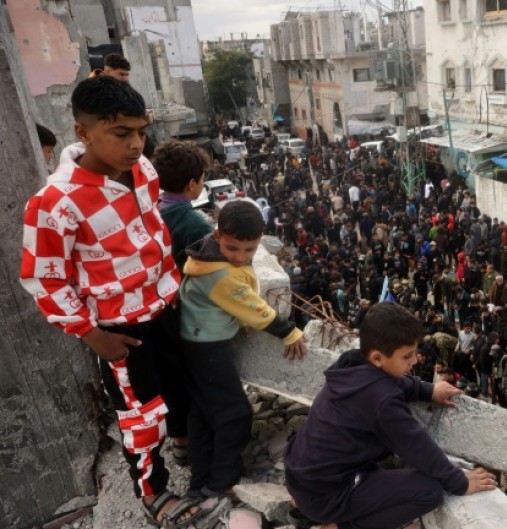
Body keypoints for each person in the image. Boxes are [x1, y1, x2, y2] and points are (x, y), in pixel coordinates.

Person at [19, 76, 205, 527]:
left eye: (141, 132)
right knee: (141, 415)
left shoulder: (144, 172)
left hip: (166, 305)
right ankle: (152, 492)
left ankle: (183, 441)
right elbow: (43, 279)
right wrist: (91, 334)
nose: (136, 144)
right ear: (83, 132)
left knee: (180, 384)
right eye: (122, 133)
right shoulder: (55, 202)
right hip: (121, 327)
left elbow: (153, 235)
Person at [284, 302, 497, 529]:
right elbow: (416, 445)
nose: (414, 361)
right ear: (377, 358)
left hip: (302, 476)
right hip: (328, 494)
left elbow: (389, 380)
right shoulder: (381, 400)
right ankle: (340, 526)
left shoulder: (353, 363)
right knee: (429, 493)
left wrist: (427, 390)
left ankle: (308, 502)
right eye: (407, 356)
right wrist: (459, 481)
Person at [179, 201, 307, 497]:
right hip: (208, 349)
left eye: (249, 251)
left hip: (196, 342)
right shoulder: (221, 274)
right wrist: (289, 332)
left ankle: (200, 481)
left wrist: (236, 317)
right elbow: (254, 307)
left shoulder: (208, 255)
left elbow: (234, 302)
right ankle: (222, 481)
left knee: (202, 413)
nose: (241, 257)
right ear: (217, 234)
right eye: (233, 248)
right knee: (234, 414)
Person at [152, 140, 213, 271]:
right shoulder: (197, 226)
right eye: (202, 178)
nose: (203, 183)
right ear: (192, 184)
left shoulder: (150, 210)